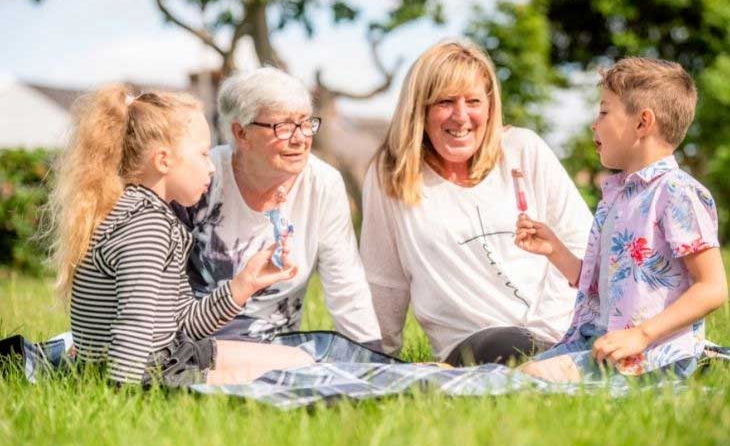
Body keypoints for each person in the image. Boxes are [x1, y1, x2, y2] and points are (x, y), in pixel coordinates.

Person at [49, 86, 315, 385]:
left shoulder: (150, 215)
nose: (212, 167)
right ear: (163, 160)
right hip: (149, 372)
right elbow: (134, 327)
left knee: (300, 361)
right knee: (292, 372)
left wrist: (243, 285)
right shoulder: (145, 227)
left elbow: (181, 326)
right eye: (203, 154)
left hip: (166, 357)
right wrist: (121, 396)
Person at [360, 39, 593, 365]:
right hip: (473, 346)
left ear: (490, 106)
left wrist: (548, 335)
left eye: (473, 101)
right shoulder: (391, 174)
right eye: (444, 102)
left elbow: (582, 244)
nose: (461, 116)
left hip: (556, 333)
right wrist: (373, 363)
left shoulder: (524, 150)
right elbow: (383, 280)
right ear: (420, 109)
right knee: (507, 345)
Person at [516, 57, 728, 382]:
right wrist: (554, 250)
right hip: (601, 343)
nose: (593, 123)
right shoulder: (617, 195)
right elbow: (602, 288)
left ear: (642, 123)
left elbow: (712, 287)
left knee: (531, 379)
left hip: (651, 356)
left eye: (603, 111)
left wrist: (641, 335)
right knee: (518, 375)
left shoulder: (677, 193)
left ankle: (703, 360)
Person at [173, 67, 381, 347]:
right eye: (282, 127)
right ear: (241, 133)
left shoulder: (323, 183)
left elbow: (346, 286)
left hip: (278, 346)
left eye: (305, 123)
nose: (300, 139)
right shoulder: (202, 177)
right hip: (193, 344)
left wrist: (370, 356)